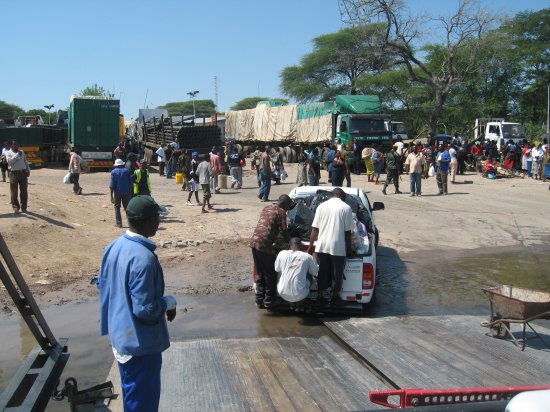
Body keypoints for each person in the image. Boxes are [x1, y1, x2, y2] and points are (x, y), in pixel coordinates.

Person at [99, 195, 176, 412]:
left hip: (120, 337)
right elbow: (145, 310)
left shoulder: (113, 247)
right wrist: (167, 303)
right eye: (158, 217)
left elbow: (106, 288)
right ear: (150, 221)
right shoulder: (144, 258)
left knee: (132, 397)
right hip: (140, 346)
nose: (159, 222)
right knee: (143, 405)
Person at [307, 188, 353, 304]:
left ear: (332, 195)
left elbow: (314, 229)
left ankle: (321, 295)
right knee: (337, 272)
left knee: (322, 270)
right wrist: (349, 249)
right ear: (342, 196)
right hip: (338, 246)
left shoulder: (321, 206)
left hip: (322, 246)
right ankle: (335, 297)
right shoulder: (346, 208)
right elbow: (348, 232)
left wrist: (310, 246)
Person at [250, 194, 294, 308]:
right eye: (289, 206)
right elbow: (284, 232)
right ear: (284, 204)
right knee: (270, 273)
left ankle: (259, 299)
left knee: (260, 272)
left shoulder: (267, 207)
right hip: (264, 244)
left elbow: (270, 225)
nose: (289, 209)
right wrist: (291, 243)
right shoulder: (281, 212)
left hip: (254, 242)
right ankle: (269, 300)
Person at [275, 237, 319, 306]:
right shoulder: (307, 256)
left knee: (281, 271)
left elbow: (276, 269)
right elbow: (314, 272)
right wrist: (315, 260)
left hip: (282, 292)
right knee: (309, 275)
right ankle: (299, 302)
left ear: (289, 246)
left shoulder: (281, 253)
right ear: (301, 247)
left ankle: (292, 302)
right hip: (300, 294)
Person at [5, 140, 30, 213]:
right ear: (11, 146)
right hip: (13, 173)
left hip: (23, 173)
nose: (16, 146)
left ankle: (24, 207)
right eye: (14, 144)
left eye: (17, 144)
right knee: (14, 192)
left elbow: (25, 161)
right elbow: (10, 162)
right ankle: (16, 207)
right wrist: (16, 155)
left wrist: (28, 170)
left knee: (24, 191)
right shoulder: (8, 153)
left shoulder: (22, 152)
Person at [110, 158, 133, 228]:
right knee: (127, 208)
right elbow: (131, 182)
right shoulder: (127, 171)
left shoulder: (113, 172)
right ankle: (130, 224)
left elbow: (111, 185)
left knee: (117, 208)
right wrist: (130, 191)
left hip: (117, 193)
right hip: (127, 192)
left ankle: (119, 223)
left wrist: (111, 196)